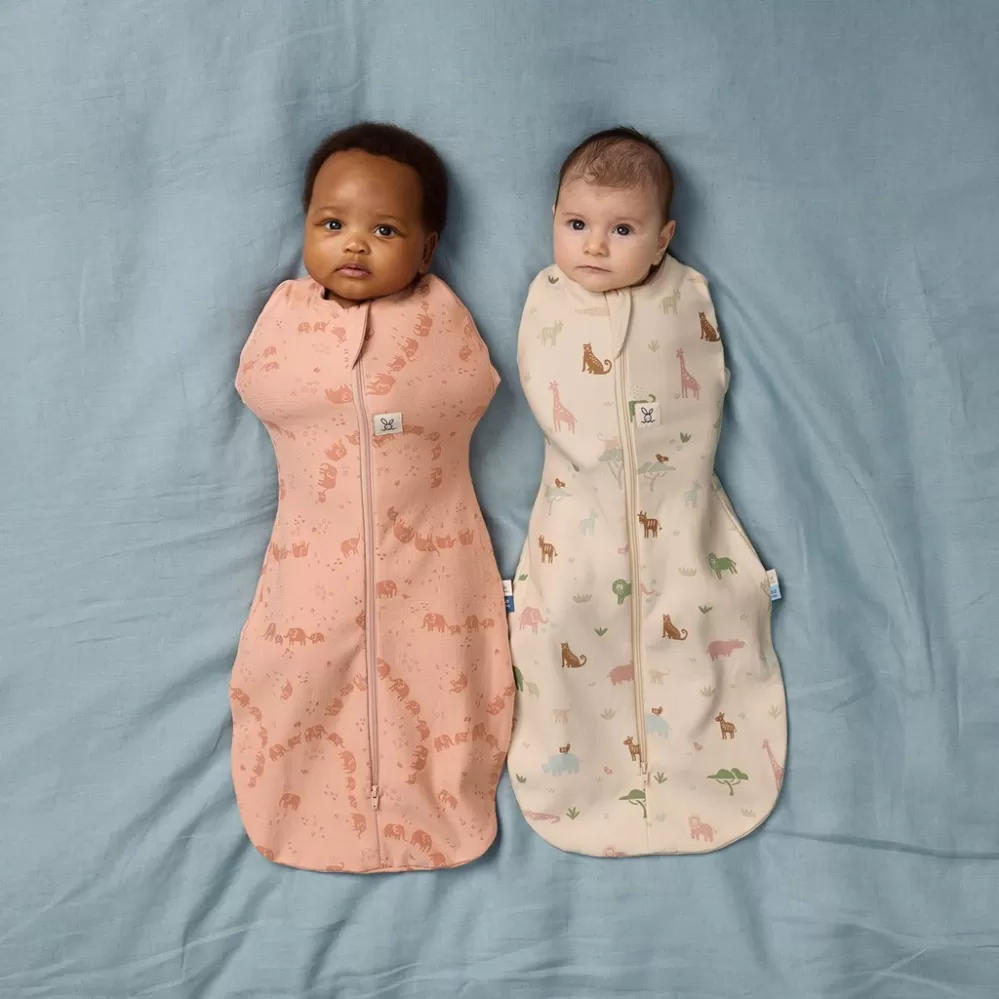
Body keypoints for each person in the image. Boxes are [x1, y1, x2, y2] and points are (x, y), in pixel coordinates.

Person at [230, 123, 514, 873]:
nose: (354, 243)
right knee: (297, 678)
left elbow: (469, 390)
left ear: (426, 249)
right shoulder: (288, 314)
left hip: (435, 566)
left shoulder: (439, 316)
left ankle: (438, 809)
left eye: (384, 230)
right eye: (331, 224)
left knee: (443, 685)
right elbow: (262, 385)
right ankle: (299, 807)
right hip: (309, 569)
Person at [508, 126, 787, 857]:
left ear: (663, 239)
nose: (595, 246)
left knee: (703, 636)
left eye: (622, 230)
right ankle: (579, 784)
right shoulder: (548, 298)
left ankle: (704, 782)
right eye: (577, 224)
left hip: (684, 522)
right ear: (552, 221)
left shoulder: (685, 295)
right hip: (575, 528)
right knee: (559, 632)